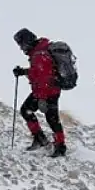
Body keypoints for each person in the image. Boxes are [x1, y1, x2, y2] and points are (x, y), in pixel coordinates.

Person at [13, 28, 66, 157]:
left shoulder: (39, 54)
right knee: (32, 112)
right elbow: (38, 73)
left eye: (21, 44)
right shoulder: (39, 51)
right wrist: (24, 72)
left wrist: (42, 99)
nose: (21, 48)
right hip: (48, 90)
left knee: (50, 118)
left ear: (27, 41)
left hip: (47, 91)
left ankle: (58, 146)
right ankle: (45, 140)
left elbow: (43, 78)